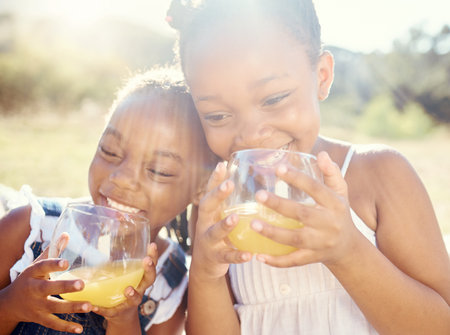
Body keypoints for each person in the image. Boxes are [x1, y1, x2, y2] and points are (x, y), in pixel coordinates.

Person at [167, 0, 450, 334]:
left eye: (273, 99)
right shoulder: (219, 203)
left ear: (322, 76)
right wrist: (206, 274)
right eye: (217, 116)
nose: (251, 134)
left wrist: (348, 250)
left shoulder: (380, 175)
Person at [0, 67, 217, 335]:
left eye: (159, 170)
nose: (123, 178)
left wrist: (124, 316)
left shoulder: (169, 283)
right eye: (110, 151)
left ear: (201, 187)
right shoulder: (29, 231)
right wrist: (11, 305)